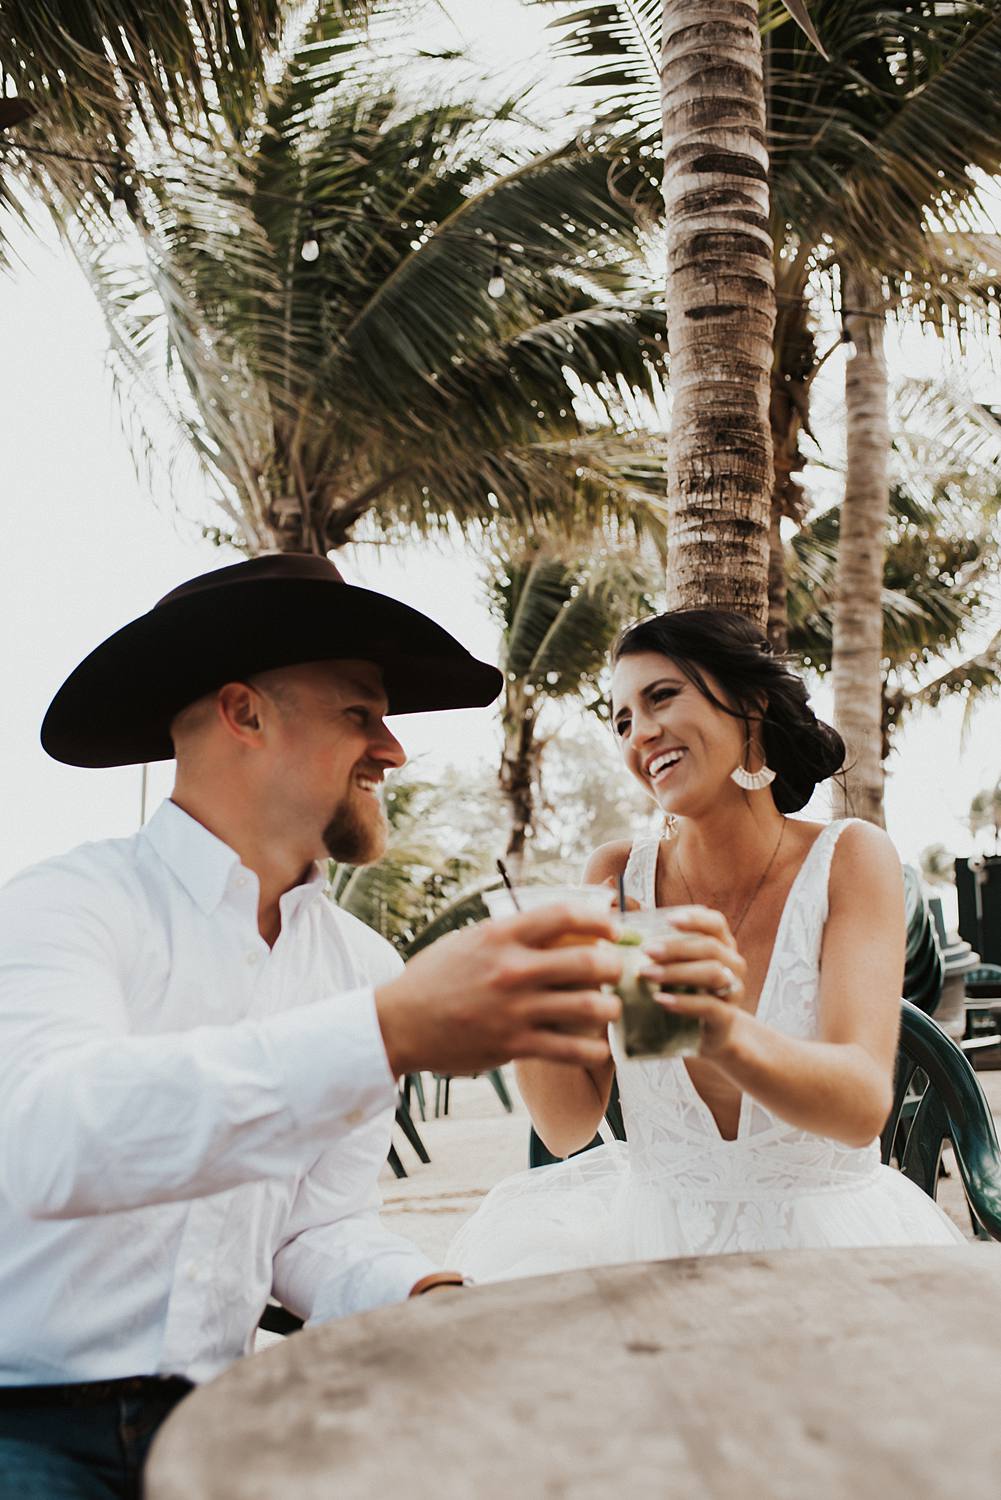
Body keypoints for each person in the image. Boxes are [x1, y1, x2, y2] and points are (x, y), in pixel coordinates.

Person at [0, 552, 622, 1499]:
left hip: (223, 1413)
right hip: (21, 1414)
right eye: (360, 713)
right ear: (244, 713)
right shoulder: (64, 906)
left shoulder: (360, 968)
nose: (395, 751)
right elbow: (52, 1139)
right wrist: (388, 1032)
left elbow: (311, 1227)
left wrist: (422, 1293)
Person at [447, 608, 964, 1283]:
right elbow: (566, 1126)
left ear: (749, 703)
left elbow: (861, 1105)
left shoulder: (850, 857)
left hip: (828, 1245)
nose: (640, 734)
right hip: (651, 1243)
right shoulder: (615, 877)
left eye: (661, 696)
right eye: (622, 721)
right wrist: (530, 1006)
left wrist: (719, 1030)